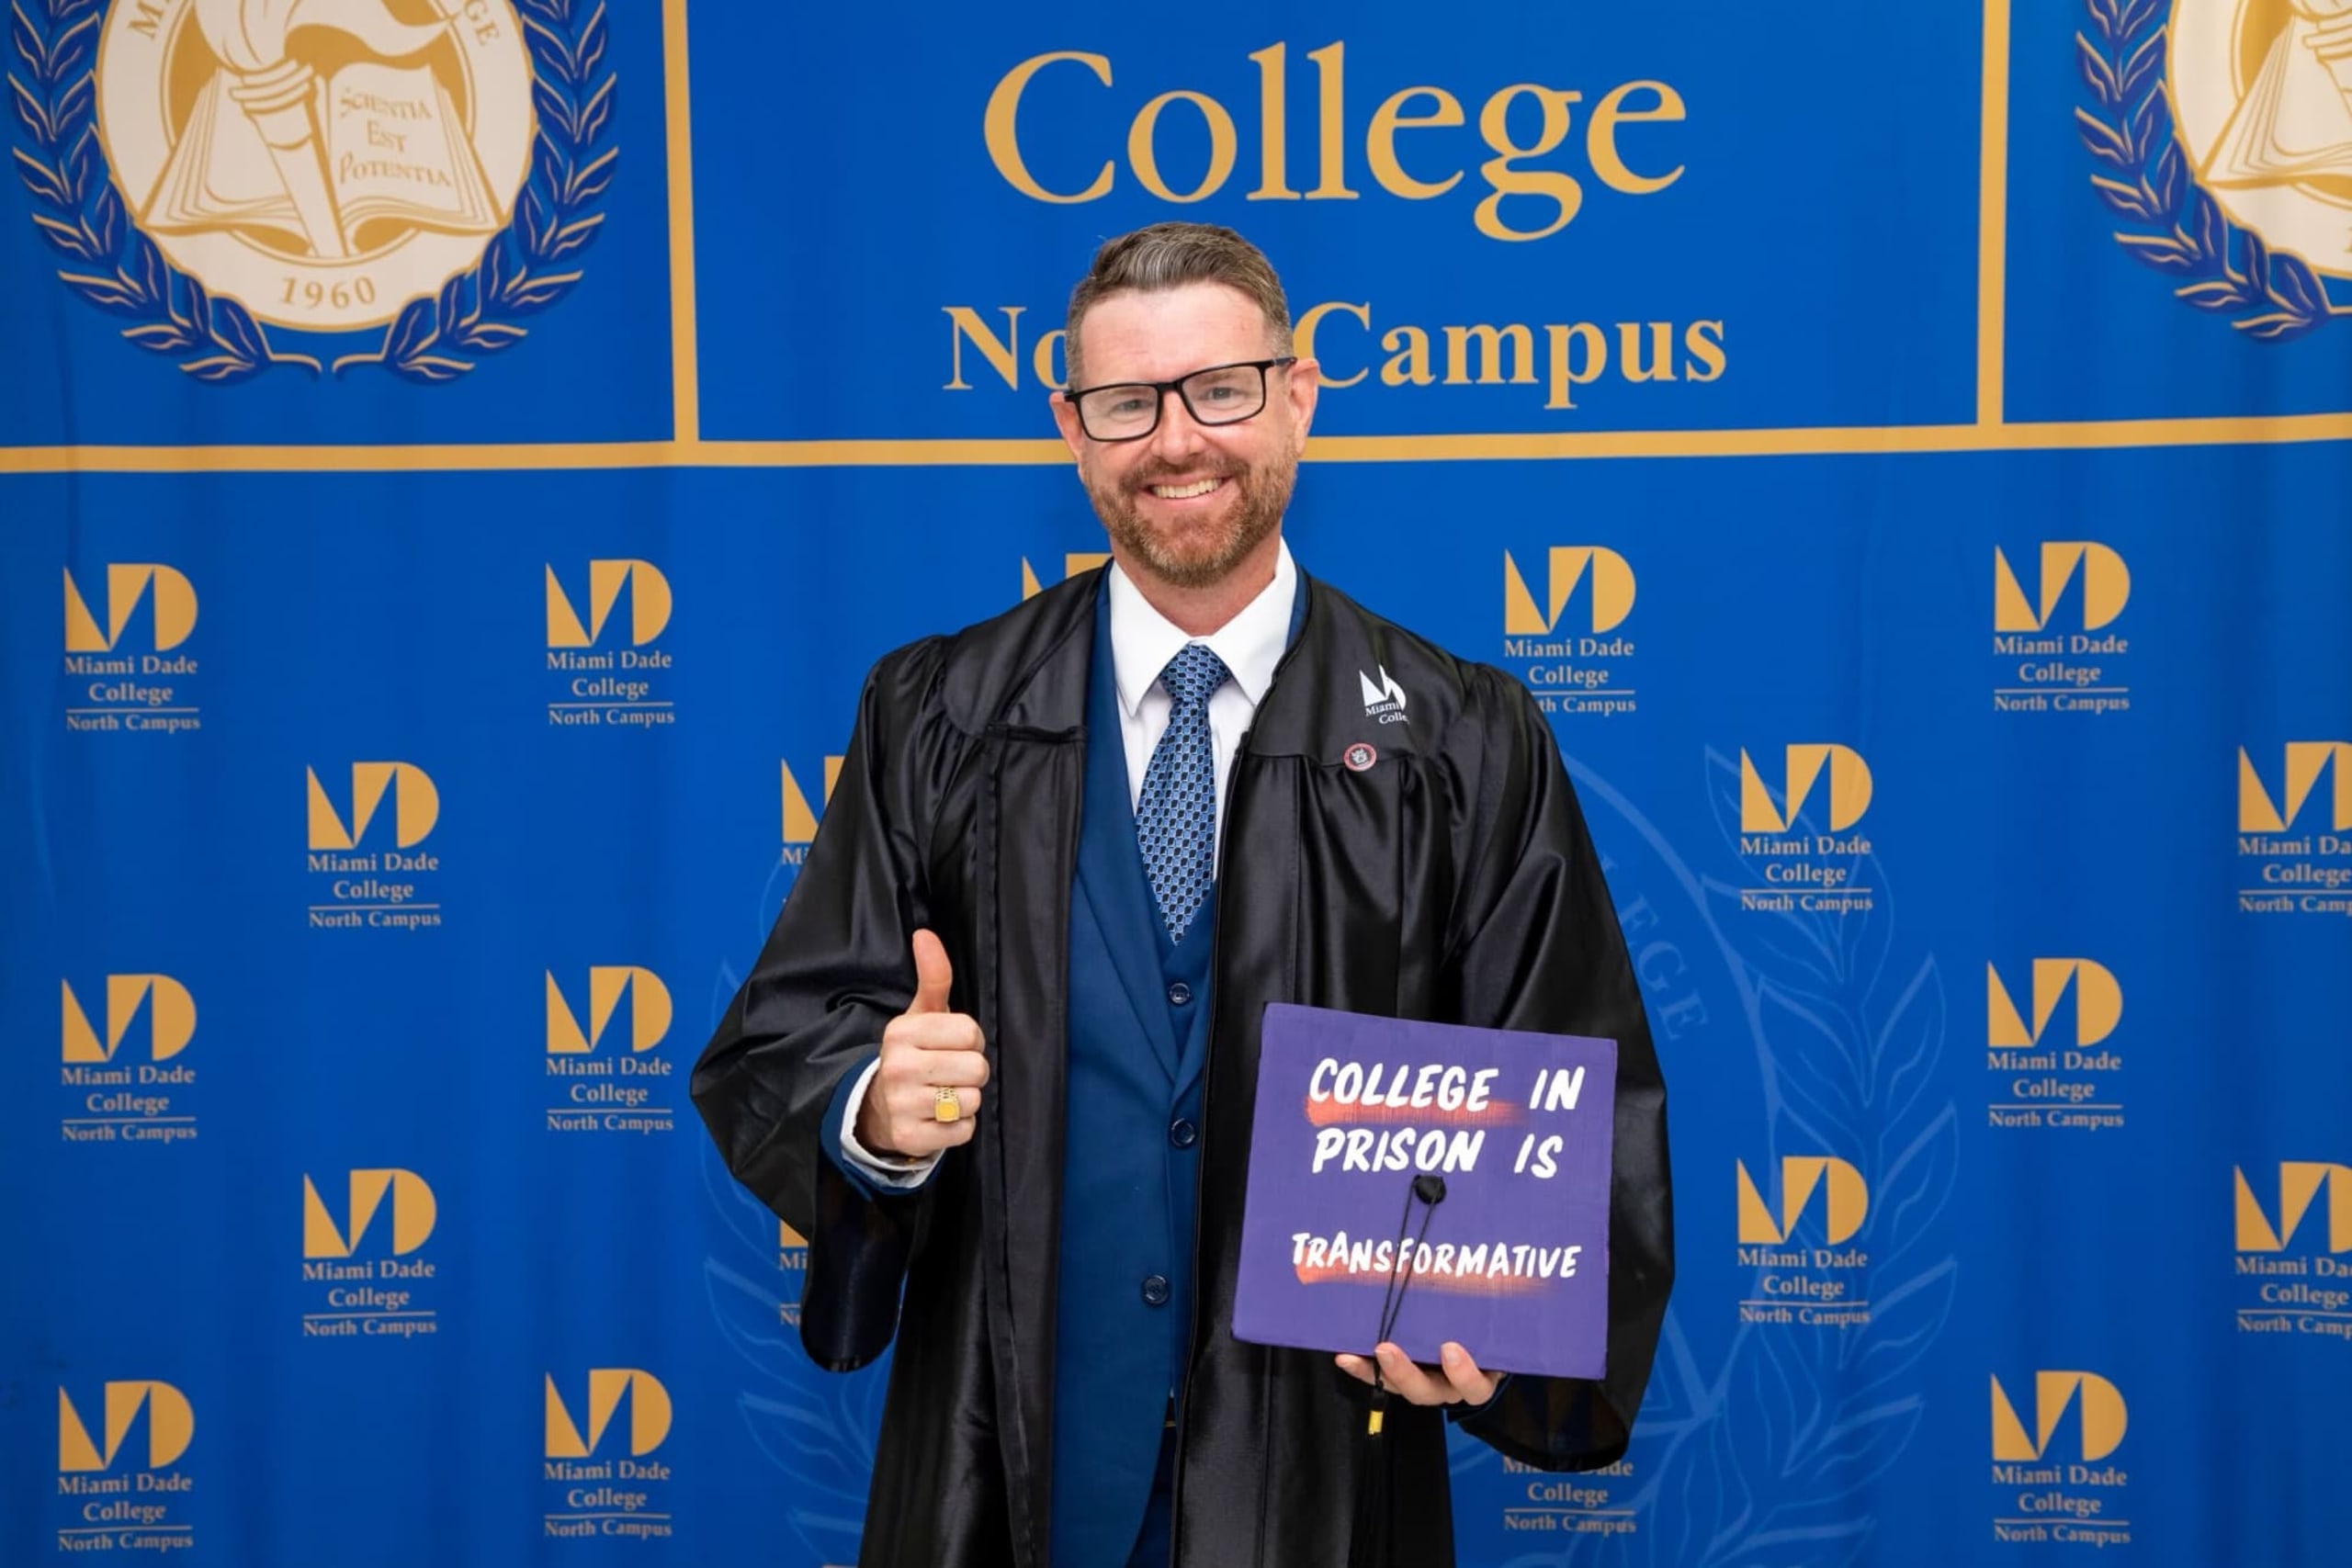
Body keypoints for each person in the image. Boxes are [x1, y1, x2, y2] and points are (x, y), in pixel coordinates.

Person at [692, 221, 1672, 1568]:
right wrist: (873, 1107)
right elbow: (776, 1045)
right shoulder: (941, 713)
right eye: (1126, 403)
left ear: (1298, 394)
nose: (1177, 441)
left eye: (1220, 389)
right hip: (1011, 1466)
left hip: (1321, 1475)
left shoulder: (1460, 740)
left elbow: (1577, 1086)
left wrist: (1502, 1342)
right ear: (1073, 429)